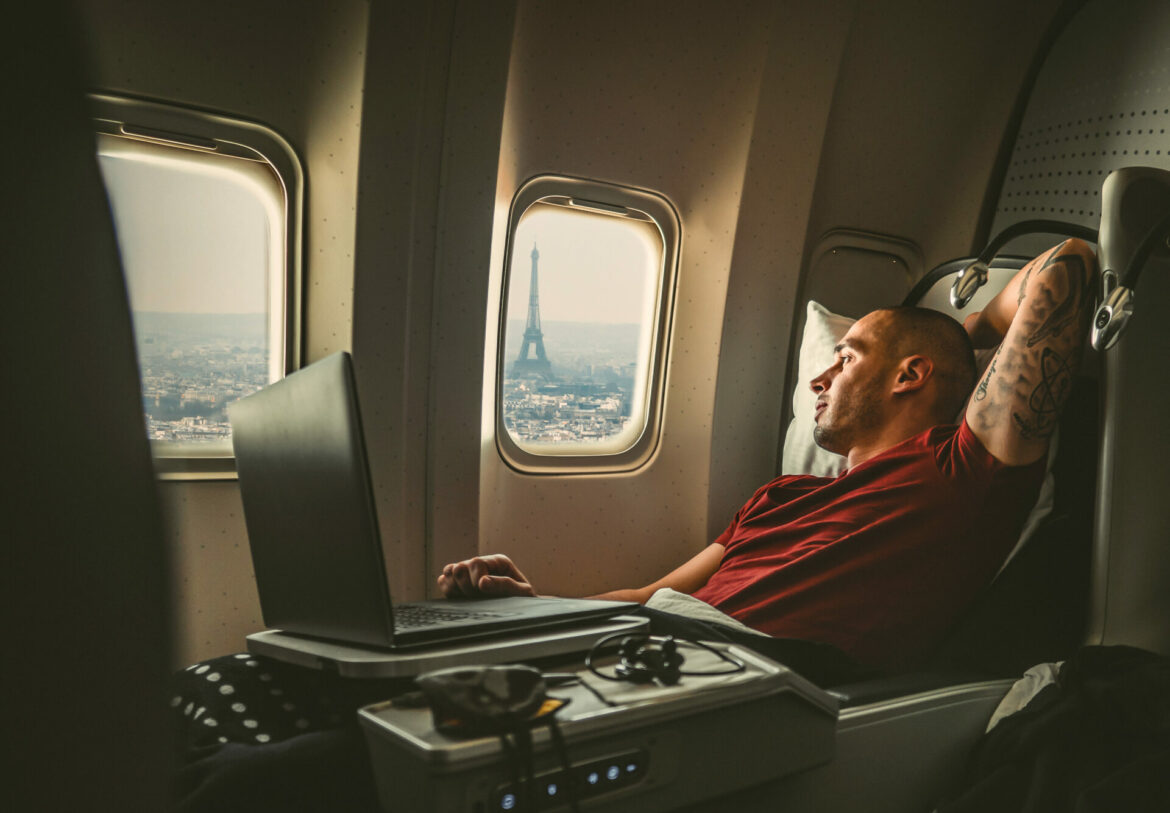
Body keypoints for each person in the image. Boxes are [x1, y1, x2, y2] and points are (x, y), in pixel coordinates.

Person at [439, 238, 1099, 674]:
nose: (817, 379)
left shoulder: (961, 475)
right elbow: (649, 595)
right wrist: (535, 610)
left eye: (844, 359)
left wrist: (959, 336)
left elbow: (1067, 266)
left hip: (739, 675)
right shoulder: (778, 497)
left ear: (909, 376)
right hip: (646, 646)